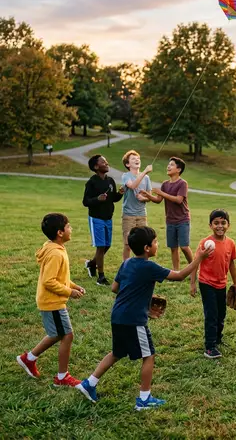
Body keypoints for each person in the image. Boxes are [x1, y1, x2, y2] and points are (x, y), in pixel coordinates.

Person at [76, 226, 210, 410]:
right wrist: (199, 258)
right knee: (149, 355)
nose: (157, 244)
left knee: (117, 352)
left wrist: (138, 299)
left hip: (118, 315)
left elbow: (115, 288)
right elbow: (179, 276)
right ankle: (144, 400)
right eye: (155, 242)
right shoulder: (149, 266)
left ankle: (89, 383)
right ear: (147, 248)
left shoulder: (127, 263)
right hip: (133, 320)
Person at [17, 213, 85, 387]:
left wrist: (74, 286)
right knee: (66, 336)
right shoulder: (55, 253)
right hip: (52, 301)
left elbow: (59, 277)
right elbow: (49, 281)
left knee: (57, 334)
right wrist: (69, 292)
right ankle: (62, 377)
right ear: (60, 233)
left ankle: (29, 358)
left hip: (51, 300)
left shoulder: (54, 247)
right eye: (69, 226)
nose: (71, 229)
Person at [140, 157, 194, 294]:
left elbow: (178, 200)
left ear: (179, 169)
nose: (168, 167)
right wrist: (148, 196)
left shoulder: (183, 183)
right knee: (173, 248)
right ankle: (176, 273)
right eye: (168, 164)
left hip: (182, 219)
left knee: (184, 247)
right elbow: (158, 200)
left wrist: (161, 193)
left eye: (171, 165)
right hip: (170, 220)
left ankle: (194, 269)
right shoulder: (165, 184)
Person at [197, 209, 236, 359]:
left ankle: (217, 338)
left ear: (228, 225)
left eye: (223, 223)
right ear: (210, 225)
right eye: (216, 223)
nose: (219, 226)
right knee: (212, 315)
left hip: (222, 284)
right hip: (206, 283)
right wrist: (192, 284)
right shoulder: (205, 243)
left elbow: (232, 263)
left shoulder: (230, 243)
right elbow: (196, 263)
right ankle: (209, 347)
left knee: (221, 313)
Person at [83, 155, 124, 286]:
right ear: (96, 167)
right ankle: (101, 277)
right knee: (100, 246)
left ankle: (91, 264)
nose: (106, 163)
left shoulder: (110, 181)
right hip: (96, 218)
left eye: (106, 161)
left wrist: (120, 193)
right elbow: (85, 201)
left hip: (108, 218)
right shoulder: (92, 182)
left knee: (107, 245)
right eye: (103, 162)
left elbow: (113, 199)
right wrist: (97, 199)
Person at [121, 150, 153, 261]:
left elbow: (150, 196)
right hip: (128, 215)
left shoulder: (147, 178)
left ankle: (142, 266)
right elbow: (133, 186)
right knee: (127, 244)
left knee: (144, 243)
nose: (137, 160)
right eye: (133, 158)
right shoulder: (126, 176)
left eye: (138, 158)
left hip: (142, 215)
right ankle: (125, 268)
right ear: (127, 164)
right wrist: (144, 172)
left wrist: (144, 198)